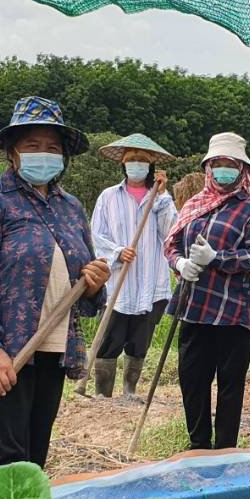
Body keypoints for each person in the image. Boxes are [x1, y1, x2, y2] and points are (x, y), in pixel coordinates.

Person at [0, 97, 110, 474]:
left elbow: (82, 281)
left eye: (52, 148)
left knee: (32, 459)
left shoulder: (69, 207)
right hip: (3, 351)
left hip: (51, 350)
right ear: (12, 152)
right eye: (32, 146)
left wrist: (92, 283)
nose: (44, 154)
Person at [164, 132, 250, 451]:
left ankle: (224, 450)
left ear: (241, 169)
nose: (223, 169)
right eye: (217, 163)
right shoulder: (195, 204)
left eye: (230, 164)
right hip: (194, 305)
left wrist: (217, 259)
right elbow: (172, 244)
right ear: (209, 167)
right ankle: (198, 445)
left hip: (234, 312)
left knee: (230, 386)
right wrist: (180, 264)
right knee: (193, 379)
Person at [90, 134, 177, 398]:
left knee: (140, 340)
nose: (136, 164)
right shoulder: (108, 197)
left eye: (142, 160)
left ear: (151, 166)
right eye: (131, 160)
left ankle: (130, 390)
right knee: (110, 338)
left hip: (151, 282)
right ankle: (102, 393)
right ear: (123, 164)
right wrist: (117, 252)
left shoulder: (162, 199)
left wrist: (161, 198)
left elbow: (171, 232)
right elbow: (95, 234)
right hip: (118, 281)